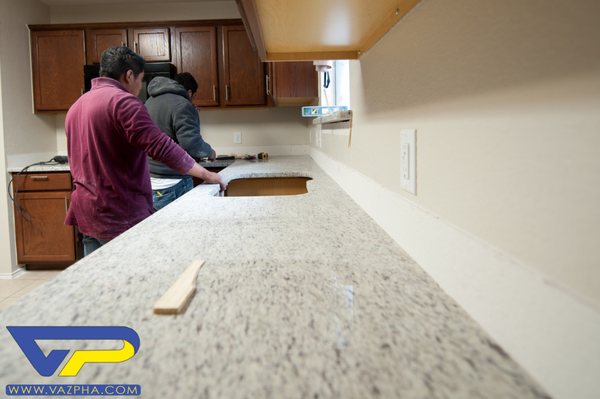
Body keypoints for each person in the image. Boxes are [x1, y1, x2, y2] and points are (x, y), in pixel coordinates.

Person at [65, 46, 226, 256]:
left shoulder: (77, 105)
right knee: (135, 278)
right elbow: (162, 146)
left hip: (86, 210)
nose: (140, 87)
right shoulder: (122, 102)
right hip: (117, 212)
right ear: (129, 75)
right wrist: (207, 174)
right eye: (140, 80)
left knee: (97, 281)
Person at [145, 72, 216, 210]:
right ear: (189, 92)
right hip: (173, 182)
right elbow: (192, 144)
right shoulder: (182, 104)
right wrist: (210, 152)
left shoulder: (150, 101)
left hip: (150, 181)